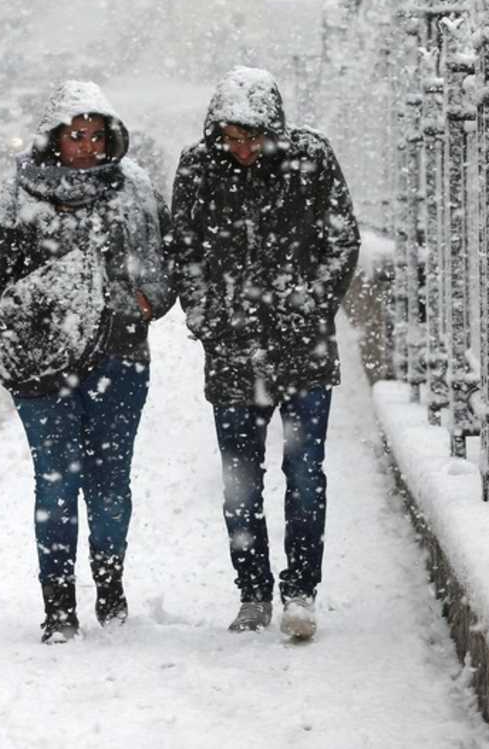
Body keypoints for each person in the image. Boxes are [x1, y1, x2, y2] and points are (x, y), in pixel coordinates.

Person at [0, 80, 175, 643]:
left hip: (120, 360)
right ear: (54, 137)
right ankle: (57, 605)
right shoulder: (19, 196)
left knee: (109, 485)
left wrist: (141, 302)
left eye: (95, 135)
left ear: (111, 138)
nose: (85, 146)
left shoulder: (136, 192)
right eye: (75, 134)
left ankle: (110, 587)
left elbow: (167, 267)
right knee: (55, 483)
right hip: (41, 365)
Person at [169, 66, 360, 641]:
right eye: (230, 136)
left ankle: (300, 589)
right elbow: (184, 250)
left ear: (272, 126)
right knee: (240, 478)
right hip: (233, 353)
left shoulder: (312, 158)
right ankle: (252, 591)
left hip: (303, 349)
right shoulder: (199, 168)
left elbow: (342, 238)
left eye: (250, 136)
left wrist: (312, 303)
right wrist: (207, 317)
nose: (241, 148)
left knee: (304, 473)